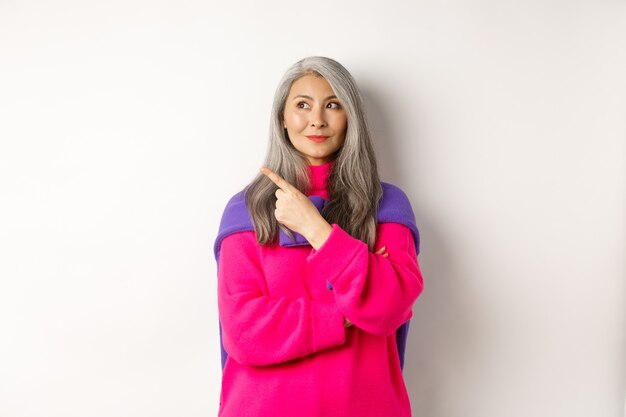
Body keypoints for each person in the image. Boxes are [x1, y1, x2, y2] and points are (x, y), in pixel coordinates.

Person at [213, 56, 424, 417]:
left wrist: (316, 229)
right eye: (302, 105)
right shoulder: (245, 209)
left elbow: (389, 308)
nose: (317, 120)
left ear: (350, 117)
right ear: (282, 117)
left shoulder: (386, 205)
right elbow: (243, 332)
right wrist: (347, 313)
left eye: (332, 104)